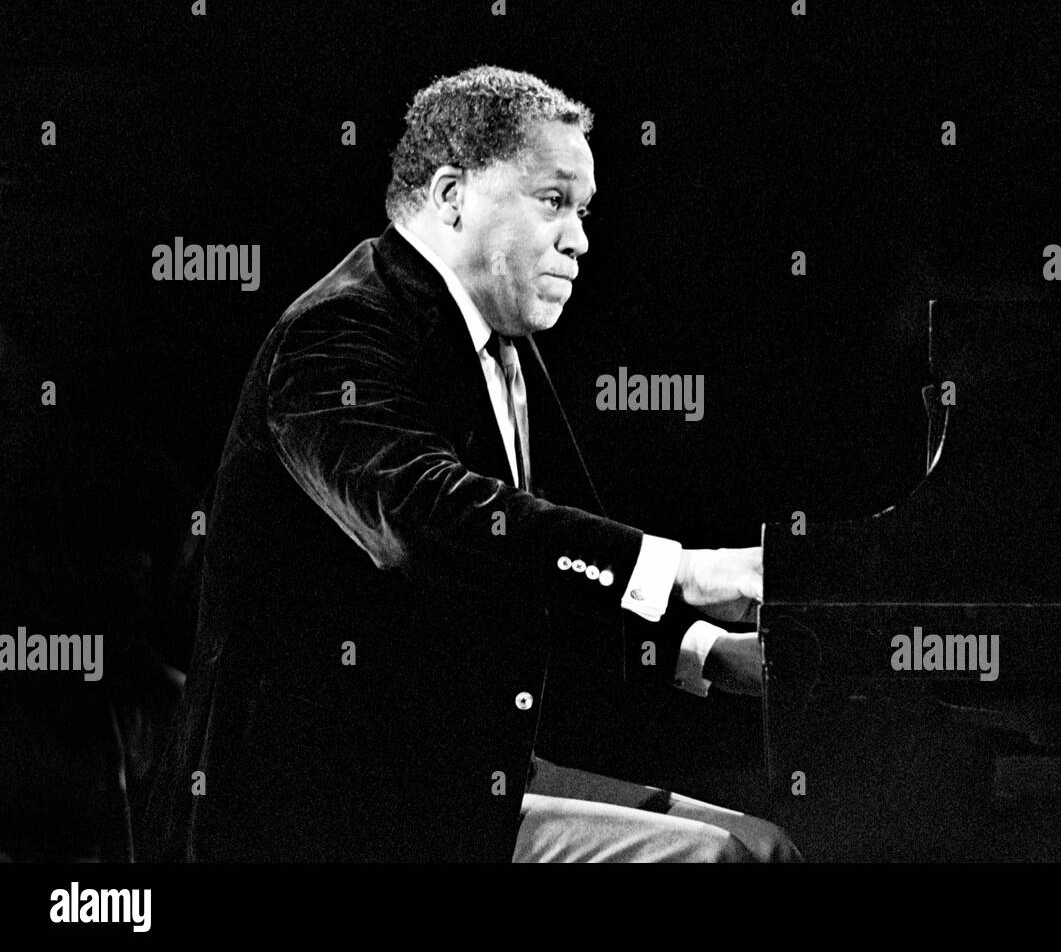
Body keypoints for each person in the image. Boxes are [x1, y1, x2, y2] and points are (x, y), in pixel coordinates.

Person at [139, 65, 800, 862]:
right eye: (554, 201)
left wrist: (701, 652)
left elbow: (535, 569)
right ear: (452, 195)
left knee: (760, 841)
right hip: (324, 808)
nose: (581, 238)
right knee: (724, 861)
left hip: (445, 776)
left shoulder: (504, 349)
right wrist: (687, 570)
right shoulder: (340, 330)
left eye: (583, 210)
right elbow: (424, 519)